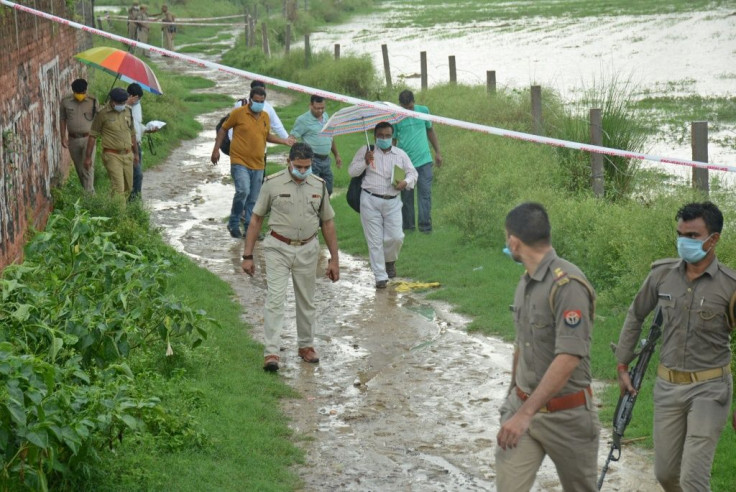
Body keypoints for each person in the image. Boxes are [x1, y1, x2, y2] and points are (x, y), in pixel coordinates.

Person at [615, 201, 736, 492]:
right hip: (667, 388)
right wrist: (622, 364)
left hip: (710, 390)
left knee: (693, 479)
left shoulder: (730, 286)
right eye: (680, 233)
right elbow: (636, 313)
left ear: (713, 239)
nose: (684, 241)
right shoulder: (661, 274)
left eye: (692, 236)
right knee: (667, 474)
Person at [495, 202, 599, 491]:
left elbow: (569, 357)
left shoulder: (568, 286)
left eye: (507, 238)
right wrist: (511, 401)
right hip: (521, 408)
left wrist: (525, 414)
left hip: (567, 418)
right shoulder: (526, 281)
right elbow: (522, 344)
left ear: (514, 242)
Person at [241, 143, 339, 372]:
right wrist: (247, 255)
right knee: (275, 299)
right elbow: (256, 219)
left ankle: (306, 346)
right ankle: (272, 352)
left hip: (307, 248)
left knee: (307, 300)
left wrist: (334, 259)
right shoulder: (272, 183)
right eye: (298, 167)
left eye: (307, 167)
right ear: (289, 162)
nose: (302, 171)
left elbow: (328, 222)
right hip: (277, 248)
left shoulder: (319, 185)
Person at [211, 85, 293, 239]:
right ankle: (234, 222)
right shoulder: (238, 113)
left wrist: (284, 141)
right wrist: (216, 150)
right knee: (243, 191)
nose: (259, 104)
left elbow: (266, 136)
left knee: (254, 199)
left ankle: (250, 229)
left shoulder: (265, 117)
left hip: (258, 163)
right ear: (250, 100)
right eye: (256, 101)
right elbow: (223, 129)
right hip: (239, 160)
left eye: (262, 101)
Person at [348, 122, 417, 289]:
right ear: (375, 136)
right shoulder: (367, 151)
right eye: (381, 136)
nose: (384, 139)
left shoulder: (400, 154)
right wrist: (365, 162)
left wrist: (405, 182)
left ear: (392, 137)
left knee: (396, 237)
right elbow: (352, 171)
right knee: (375, 240)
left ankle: (389, 261)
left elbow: (413, 173)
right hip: (370, 200)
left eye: (387, 136)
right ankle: (380, 276)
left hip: (393, 200)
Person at [393, 89, 443, 233]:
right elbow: (394, 140)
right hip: (405, 164)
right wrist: (392, 163)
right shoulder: (396, 116)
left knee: (425, 195)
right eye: (405, 108)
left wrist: (438, 152)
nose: (408, 111)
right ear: (400, 105)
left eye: (410, 108)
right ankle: (408, 227)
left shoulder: (423, 111)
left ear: (414, 102)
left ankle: (425, 227)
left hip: (424, 161)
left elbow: (430, 131)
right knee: (406, 197)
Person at [85, 87, 139, 197]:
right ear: (112, 101)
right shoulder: (102, 114)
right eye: (120, 102)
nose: (122, 104)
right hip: (112, 155)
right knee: (118, 189)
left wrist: (136, 153)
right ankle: (120, 214)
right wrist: (88, 157)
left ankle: (113, 209)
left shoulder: (128, 111)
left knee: (128, 188)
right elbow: (92, 136)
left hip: (128, 155)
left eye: (124, 102)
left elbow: (132, 133)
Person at [289, 95, 342, 195]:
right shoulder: (302, 120)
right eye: (317, 108)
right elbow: (292, 137)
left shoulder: (326, 116)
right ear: (310, 106)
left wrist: (336, 155)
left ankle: (323, 209)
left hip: (326, 160)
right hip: (312, 160)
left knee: (328, 189)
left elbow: (330, 136)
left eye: (322, 108)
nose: (320, 111)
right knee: (314, 191)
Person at [60, 78, 97, 193]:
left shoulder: (93, 101)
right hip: (73, 139)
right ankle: (89, 192)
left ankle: (89, 196)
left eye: (83, 93)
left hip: (88, 139)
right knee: (80, 169)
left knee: (88, 166)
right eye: (78, 93)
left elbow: (99, 118)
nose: (80, 95)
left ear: (86, 90)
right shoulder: (66, 101)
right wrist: (63, 137)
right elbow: (62, 119)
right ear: (73, 91)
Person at [126, 83, 157, 201]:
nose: (138, 101)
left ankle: (135, 199)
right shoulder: (122, 107)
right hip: (129, 146)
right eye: (137, 99)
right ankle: (134, 202)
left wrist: (148, 129)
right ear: (130, 96)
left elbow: (137, 126)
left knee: (136, 175)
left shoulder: (137, 106)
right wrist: (127, 104)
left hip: (137, 145)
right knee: (137, 175)